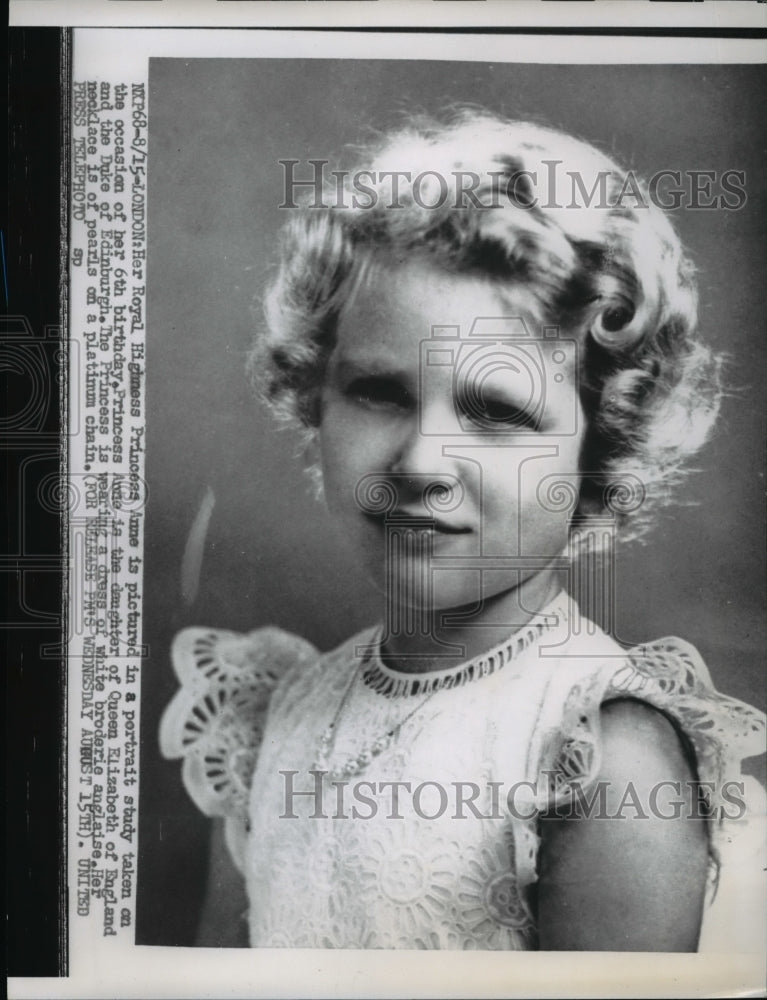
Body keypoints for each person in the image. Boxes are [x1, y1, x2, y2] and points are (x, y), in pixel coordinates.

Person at [160, 113, 765, 951]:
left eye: (495, 411)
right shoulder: (276, 715)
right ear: (314, 400)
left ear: (598, 449)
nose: (421, 462)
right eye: (380, 392)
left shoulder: (599, 751)